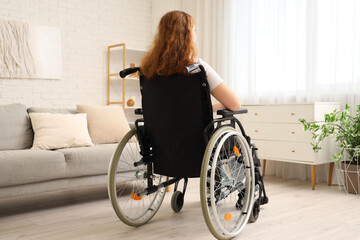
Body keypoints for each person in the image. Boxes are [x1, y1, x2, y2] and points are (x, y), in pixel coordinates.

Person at [140, 10, 241, 111]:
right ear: (187, 36)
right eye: (194, 30)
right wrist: (212, 107)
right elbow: (235, 104)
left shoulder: (148, 71)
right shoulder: (198, 68)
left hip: (158, 127)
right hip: (193, 126)